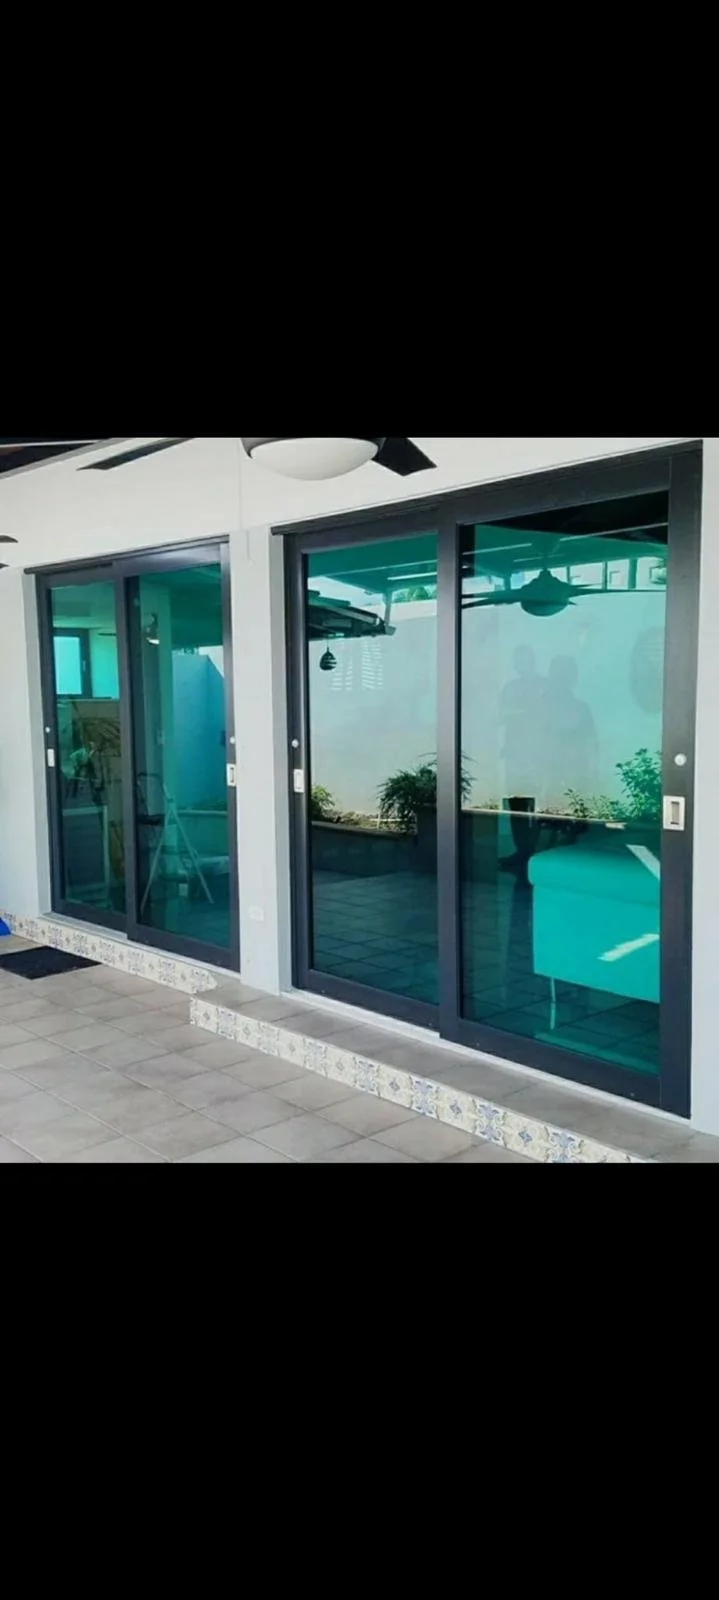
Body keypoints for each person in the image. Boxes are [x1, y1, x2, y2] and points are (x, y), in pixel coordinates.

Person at [498, 646, 546, 874]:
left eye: (524, 659)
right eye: (517, 660)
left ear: (532, 661)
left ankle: (534, 852)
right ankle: (523, 851)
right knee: (517, 806)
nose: (520, 664)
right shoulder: (511, 687)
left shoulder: (544, 686)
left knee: (537, 806)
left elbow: (546, 717)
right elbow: (501, 716)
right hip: (515, 755)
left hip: (538, 755)